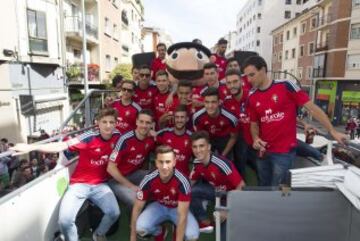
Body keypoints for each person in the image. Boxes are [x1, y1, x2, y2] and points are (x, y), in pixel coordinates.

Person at [10, 108, 121, 241]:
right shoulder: (88, 137)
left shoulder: (118, 135)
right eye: (104, 122)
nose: (108, 125)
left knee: (114, 213)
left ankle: (99, 233)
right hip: (79, 185)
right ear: (98, 123)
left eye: (111, 122)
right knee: (65, 221)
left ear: (116, 123)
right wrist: (32, 147)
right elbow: (62, 145)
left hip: (100, 185)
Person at [243, 55, 348, 186]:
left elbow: (313, 109)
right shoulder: (252, 97)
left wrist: (332, 131)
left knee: (279, 190)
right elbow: (254, 125)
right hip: (263, 153)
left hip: (283, 154)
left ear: (263, 70)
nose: (248, 79)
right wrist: (256, 138)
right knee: (263, 186)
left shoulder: (286, 86)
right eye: (246, 76)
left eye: (252, 75)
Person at [130, 145, 199, 241]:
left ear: (174, 162)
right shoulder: (148, 179)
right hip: (159, 206)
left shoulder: (183, 181)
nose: (164, 166)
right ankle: (159, 231)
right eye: (161, 162)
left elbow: (182, 216)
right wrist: (132, 238)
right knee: (140, 228)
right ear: (156, 163)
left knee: (192, 236)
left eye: (168, 162)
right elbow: (137, 208)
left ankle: (177, 228)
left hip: (177, 208)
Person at [189, 131, 245, 237]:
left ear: (209, 147)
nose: (198, 150)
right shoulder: (197, 162)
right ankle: (204, 220)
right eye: (195, 147)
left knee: (223, 235)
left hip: (230, 196)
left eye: (201, 146)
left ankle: (223, 214)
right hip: (215, 192)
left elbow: (242, 186)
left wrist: (226, 210)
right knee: (191, 191)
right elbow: (189, 184)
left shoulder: (221, 163)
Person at [107, 109, 155, 208]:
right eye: (141, 122)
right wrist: (131, 186)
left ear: (151, 125)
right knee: (135, 200)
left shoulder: (151, 139)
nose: (144, 125)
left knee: (158, 178)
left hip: (134, 174)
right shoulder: (125, 139)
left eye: (147, 123)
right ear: (136, 121)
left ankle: (154, 214)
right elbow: (110, 168)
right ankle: (137, 222)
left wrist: (156, 136)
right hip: (116, 180)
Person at [223, 68, 257, 179]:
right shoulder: (226, 101)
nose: (232, 85)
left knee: (260, 169)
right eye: (229, 83)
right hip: (239, 139)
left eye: (235, 82)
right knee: (240, 167)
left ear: (241, 81)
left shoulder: (253, 96)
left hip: (256, 137)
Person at [193, 87, 238, 159]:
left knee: (227, 162)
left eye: (213, 102)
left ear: (219, 102)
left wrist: (223, 156)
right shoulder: (197, 117)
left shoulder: (230, 118)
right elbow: (200, 138)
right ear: (203, 102)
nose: (210, 106)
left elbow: (233, 137)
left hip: (225, 139)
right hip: (208, 139)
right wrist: (207, 152)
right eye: (207, 102)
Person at [156, 105, 193, 176]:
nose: (179, 120)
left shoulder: (192, 137)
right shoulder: (164, 133)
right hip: (163, 176)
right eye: (177, 117)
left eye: (182, 117)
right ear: (173, 118)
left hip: (182, 178)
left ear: (187, 119)